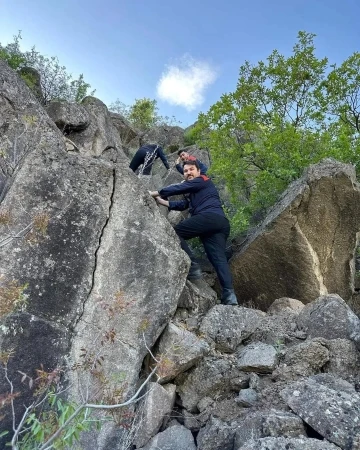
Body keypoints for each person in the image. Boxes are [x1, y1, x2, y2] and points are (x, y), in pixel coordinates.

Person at [149, 160, 238, 306]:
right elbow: (183, 205)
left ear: (198, 171)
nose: (188, 173)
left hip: (209, 217)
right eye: (185, 171)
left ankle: (193, 266)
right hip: (219, 223)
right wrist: (161, 201)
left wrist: (154, 193)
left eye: (191, 169)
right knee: (218, 259)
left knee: (174, 233)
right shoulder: (194, 191)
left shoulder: (203, 179)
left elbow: (178, 188)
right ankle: (229, 296)